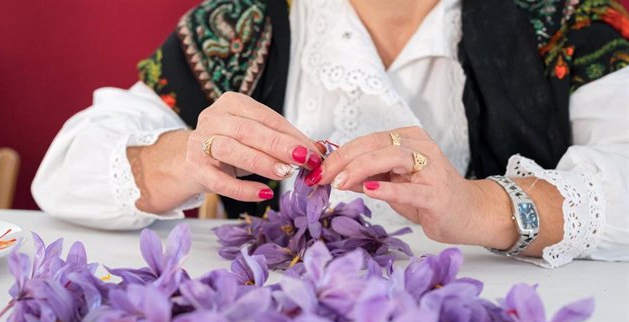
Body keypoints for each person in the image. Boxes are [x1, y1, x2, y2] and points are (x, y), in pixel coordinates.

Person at [32, 0, 629, 268]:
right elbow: (65, 173)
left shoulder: (572, 21)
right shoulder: (238, 25)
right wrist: (186, 158)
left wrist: (480, 206)